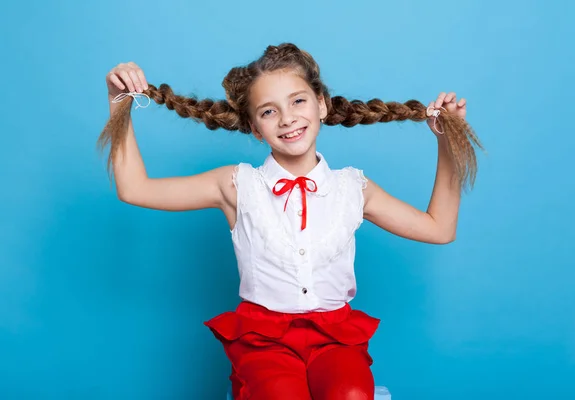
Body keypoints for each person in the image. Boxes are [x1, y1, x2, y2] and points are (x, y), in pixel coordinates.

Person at [99, 43, 483, 400]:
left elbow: (439, 228)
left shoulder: (353, 188)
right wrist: (120, 103)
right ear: (254, 126)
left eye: (298, 101)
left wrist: (446, 142)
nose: (287, 119)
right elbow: (135, 188)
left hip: (336, 339)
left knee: (351, 395)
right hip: (263, 341)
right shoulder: (237, 184)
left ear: (322, 105)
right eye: (268, 111)